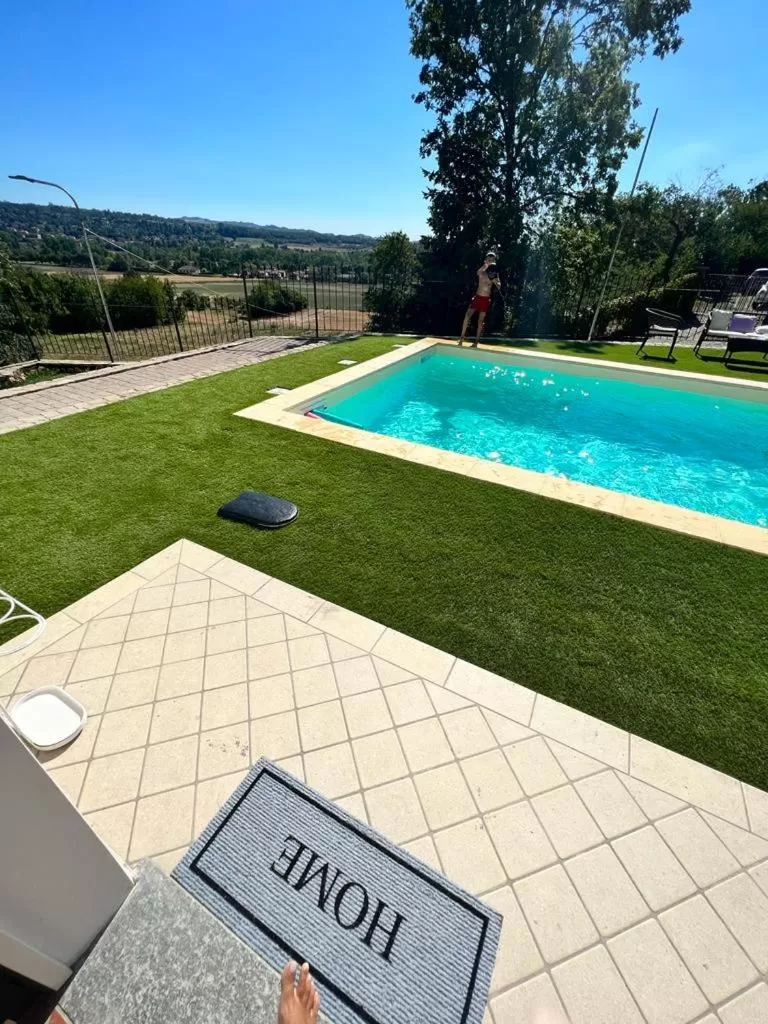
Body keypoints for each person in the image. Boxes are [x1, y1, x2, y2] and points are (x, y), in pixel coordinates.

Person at [459, 252, 501, 346]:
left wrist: (495, 282)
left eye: (492, 260)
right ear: (486, 260)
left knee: (480, 321)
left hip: (485, 299)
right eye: (489, 259)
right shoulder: (482, 270)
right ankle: (462, 338)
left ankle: (476, 342)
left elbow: (499, 286)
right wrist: (485, 265)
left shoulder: (495, 274)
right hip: (477, 297)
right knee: (467, 316)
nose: (491, 261)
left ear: (494, 261)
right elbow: (478, 273)